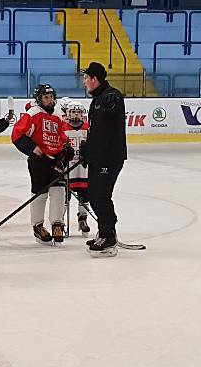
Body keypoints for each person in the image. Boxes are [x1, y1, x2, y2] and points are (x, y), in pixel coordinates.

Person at [11, 83, 72, 245]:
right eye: (46, 97)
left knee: (59, 191)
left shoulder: (58, 115)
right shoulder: (33, 113)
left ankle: (57, 224)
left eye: (52, 97)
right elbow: (16, 135)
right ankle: (38, 226)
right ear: (39, 99)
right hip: (39, 160)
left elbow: (62, 137)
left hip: (56, 159)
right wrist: (32, 147)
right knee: (39, 193)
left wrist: (66, 151)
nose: (50, 100)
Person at [79, 62, 126, 257]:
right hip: (98, 157)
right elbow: (96, 132)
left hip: (108, 157)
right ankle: (105, 231)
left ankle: (108, 236)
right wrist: (87, 150)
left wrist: (95, 151)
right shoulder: (98, 98)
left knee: (100, 196)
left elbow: (107, 131)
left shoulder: (111, 96)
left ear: (95, 79)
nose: (84, 82)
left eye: (86, 78)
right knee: (94, 194)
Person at [62, 101, 92, 236]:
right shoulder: (62, 127)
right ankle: (60, 221)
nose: (75, 114)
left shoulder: (87, 128)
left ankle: (83, 218)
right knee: (64, 197)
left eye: (78, 112)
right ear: (67, 114)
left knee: (84, 195)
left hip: (83, 169)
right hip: (67, 169)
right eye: (73, 112)